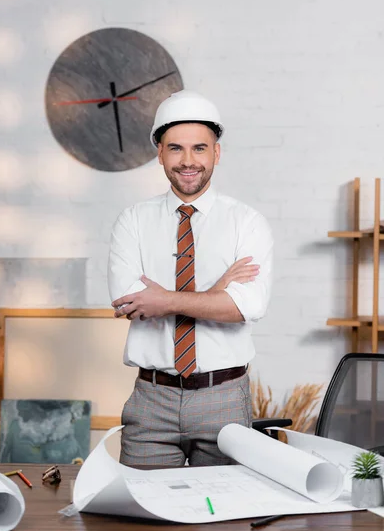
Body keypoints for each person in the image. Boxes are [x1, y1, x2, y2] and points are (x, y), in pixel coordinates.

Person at [108, 90, 273, 467]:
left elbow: (247, 307)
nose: (187, 161)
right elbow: (131, 303)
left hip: (225, 399)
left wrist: (164, 300)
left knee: (222, 520)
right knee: (142, 520)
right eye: (175, 149)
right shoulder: (132, 221)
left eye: (199, 148)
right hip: (152, 400)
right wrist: (217, 292)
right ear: (160, 154)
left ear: (217, 153)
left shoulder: (246, 223)